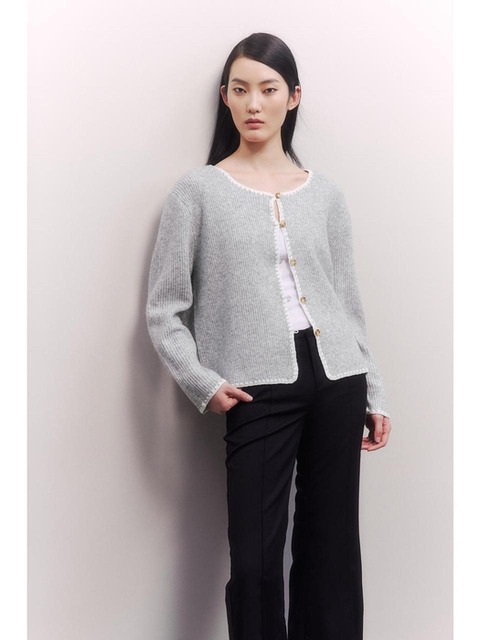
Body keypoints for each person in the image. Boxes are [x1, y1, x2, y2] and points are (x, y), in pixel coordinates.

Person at [146, 32, 392, 640]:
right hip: (255, 388)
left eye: (268, 89)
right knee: (255, 563)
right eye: (240, 90)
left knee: (332, 551)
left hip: (338, 379)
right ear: (225, 99)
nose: (254, 103)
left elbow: (347, 303)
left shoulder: (326, 194)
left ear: (293, 97)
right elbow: (164, 310)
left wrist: (373, 390)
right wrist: (203, 383)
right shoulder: (197, 192)